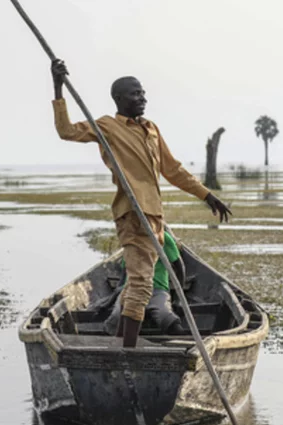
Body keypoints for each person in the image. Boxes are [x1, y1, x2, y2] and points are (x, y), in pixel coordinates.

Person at [50, 59, 231, 347]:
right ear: (119, 99)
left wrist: (207, 195)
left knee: (140, 283)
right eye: (135, 94)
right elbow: (66, 131)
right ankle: (128, 351)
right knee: (141, 283)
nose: (142, 98)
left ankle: (123, 345)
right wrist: (58, 87)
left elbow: (173, 171)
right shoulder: (108, 127)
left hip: (154, 215)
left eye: (143, 93)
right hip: (132, 214)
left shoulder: (151, 129)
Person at [104, 231, 187, 336]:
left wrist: (179, 299)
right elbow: (125, 273)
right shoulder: (130, 237)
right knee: (116, 318)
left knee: (167, 319)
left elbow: (180, 268)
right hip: (131, 289)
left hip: (157, 289)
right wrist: (114, 297)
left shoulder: (163, 237)